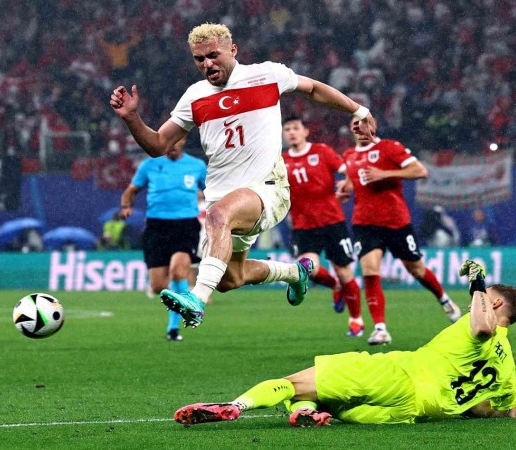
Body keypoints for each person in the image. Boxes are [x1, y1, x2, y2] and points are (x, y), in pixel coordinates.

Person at [109, 23, 377, 328]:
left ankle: (197, 299)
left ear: (233, 50)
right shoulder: (195, 96)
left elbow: (314, 88)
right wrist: (132, 118)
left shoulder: (266, 74)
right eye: (199, 59)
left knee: (218, 216)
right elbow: (158, 145)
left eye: (213, 55)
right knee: (229, 278)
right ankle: (294, 273)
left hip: (267, 189)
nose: (207, 64)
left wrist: (359, 111)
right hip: (225, 198)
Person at [173, 260, 516, 427]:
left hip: (397, 374)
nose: (473, 305)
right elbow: (500, 411)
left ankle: (236, 406)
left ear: (495, 303)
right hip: (410, 413)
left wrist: (478, 282)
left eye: (483, 299)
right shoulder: (507, 367)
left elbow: (482, 327)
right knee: (327, 403)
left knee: (294, 383)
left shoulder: (479, 323)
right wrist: (463, 404)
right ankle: (308, 414)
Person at [340, 120, 461, 345]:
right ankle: (380, 329)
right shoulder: (349, 155)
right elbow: (353, 181)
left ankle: (444, 299)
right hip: (364, 223)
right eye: (355, 125)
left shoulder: (390, 147)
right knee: (369, 271)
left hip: (396, 221)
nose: (360, 129)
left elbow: (420, 171)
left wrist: (384, 174)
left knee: (416, 269)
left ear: (373, 127)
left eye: (364, 124)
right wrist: (345, 190)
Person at [281, 117, 363, 337]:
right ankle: (336, 287)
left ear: (305, 131)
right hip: (303, 226)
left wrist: (347, 186)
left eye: (296, 128)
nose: (291, 132)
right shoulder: (281, 161)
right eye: (287, 129)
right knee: (309, 269)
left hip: (332, 222)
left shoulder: (322, 152)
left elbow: (349, 170)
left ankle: (356, 320)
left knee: (344, 271)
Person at [120, 137, 207, 341]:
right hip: (156, 227)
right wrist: (125, 206)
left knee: (178, 273)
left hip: (185, 225)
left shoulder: (197, 166)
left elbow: (211, 191)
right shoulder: (148, 165)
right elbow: (131, 191)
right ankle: (183, 306)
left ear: (183, 140)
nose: (172, 145)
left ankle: (175, 326)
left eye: (176, 140)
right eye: (169, 141)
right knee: (159, 286)